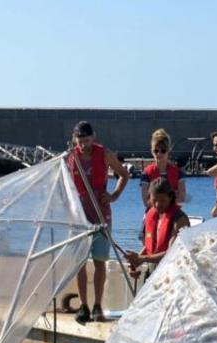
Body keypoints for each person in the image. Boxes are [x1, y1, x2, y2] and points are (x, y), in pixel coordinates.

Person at [67, 121, 129, 323]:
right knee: (79, 263)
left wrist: (114, 196)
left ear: (93, 137)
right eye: (80, 141)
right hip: (79, 217)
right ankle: (84, 305)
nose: (84, 145)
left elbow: (124, 174)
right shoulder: (70, 157)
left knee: (100, 260)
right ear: (75, 140)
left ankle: (97, 306)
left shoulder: (104, 154)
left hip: (101, 214)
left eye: (87, 140)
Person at [125, 180, 190, 278]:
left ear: (170, 197)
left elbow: (172, 252)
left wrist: (142, 259)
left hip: (172, 274)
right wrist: (134, 263)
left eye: (162, 200)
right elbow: (149, 246)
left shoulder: (180, 220)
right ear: (149, 198)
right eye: (154, 200)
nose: (158, 204)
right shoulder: (151, 215)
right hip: (152, 271)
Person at [140, 129, 186, 208]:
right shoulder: (146, 173)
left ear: (168, 150)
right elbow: (146, 201)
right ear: (152, 151)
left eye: (163, 150)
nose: (159, 153)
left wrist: (158, 199)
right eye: (156, 150)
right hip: (154, 212)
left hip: (173, 213)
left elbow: (182, 198)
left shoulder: (178, 173)